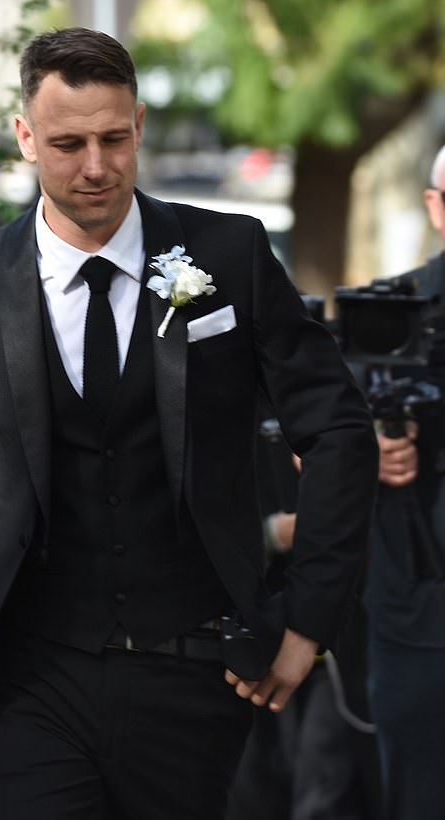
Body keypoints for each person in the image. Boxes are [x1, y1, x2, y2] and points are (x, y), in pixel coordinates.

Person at [0, 27, 378, 820]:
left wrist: (309, 621)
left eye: (113, 138)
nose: (96, 166)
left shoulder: (230, 253)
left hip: (196, 674)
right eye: (68, 144)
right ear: (26, 138)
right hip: (23, 681)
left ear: (139, 125)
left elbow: (340, 431)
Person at [364, 144, 445, 820]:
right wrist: (373, 448)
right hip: (418, 613)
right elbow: (311, 445)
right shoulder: (390, 315)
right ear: (435, 207)